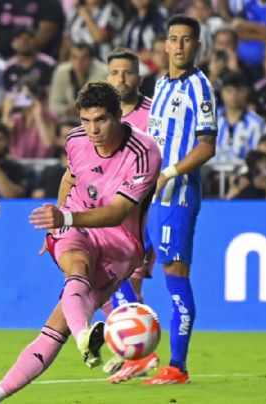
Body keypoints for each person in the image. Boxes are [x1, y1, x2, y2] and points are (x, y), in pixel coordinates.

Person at [0, 81, 161, 404]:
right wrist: (58, 222)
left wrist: (65, 220)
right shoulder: (75, 140)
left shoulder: (145, 152)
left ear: (118, 116)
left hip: (121, 244)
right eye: (85, 121)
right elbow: (70, 177)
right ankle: (82, 337)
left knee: (57, 325)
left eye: (100, 120)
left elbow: (118, 212)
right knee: (77, 266)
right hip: (76, 222)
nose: (92, 130)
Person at [139, 15, 217, 385]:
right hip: (149, 197)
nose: (181, 45)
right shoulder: (161, 84)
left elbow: (207, 146)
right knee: (125, 267)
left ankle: (178, 366)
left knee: (175, 276)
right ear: (166, 45)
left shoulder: (200, 87)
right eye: (174, 39)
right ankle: (137, 350)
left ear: (197, 45)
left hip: (177, 197)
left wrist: (169, 172)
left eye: (188, 39)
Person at [101, 46, 159, 380]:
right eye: (114, 73)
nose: (120, 79)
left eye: (127, 73)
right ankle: (134, 352)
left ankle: (135, 353)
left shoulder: (153, 115)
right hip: (111, 213)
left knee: (118, 277)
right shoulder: (102, 117)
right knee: (117, 282)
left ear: (139, 77)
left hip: (143, 212)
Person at [219, 0, 266, 81]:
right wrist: (263, 35)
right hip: (242, 62)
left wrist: (249, 26)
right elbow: (239, 30)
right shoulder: (249, 5)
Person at [0, 0, 66, 60]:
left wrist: (19, 56)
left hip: (37, 63)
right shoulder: (1, 3)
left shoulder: (49, 3)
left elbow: (46, 34)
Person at [1, 78, 57, 159]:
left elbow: (48, 144)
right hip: (17, 164)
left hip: (42, 164)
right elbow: (4, 142)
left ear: (37, 96)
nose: (24, 99)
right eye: (21, 95)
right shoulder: (15, 119)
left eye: (27, 95)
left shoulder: (49, 117)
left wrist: (38, 117)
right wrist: (6, 113)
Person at [48, 43, 107, 117]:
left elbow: (104, 105)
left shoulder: (104, 73)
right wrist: (67, 110)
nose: (79, 63)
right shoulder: (61, 71)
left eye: (84, 58)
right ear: (70, 59)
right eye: (75, 58)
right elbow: (53, 104)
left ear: (92, 59)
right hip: (68, 117)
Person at [215, 71, 263, 161]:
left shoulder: (256, 123)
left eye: (239, 91)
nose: (234, 95)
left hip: (245, 173)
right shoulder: (211, 118)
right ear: (222, 92)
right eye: (229, 91)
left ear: (247, 93)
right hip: (210, 172)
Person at [1, 27, 56, 95]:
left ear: (36, 41)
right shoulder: (8, 66)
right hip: (15, 103)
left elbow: (53, 93)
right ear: (13, 43)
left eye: (29, 38)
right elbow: (6, 93)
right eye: (20, 38)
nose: (24, 41)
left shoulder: (48, 63)